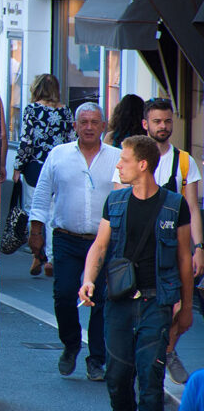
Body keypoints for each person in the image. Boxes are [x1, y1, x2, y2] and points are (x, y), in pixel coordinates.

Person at [79, 135, 194, 411]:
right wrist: (88, 280)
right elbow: (100, 245)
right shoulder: (115, 201)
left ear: (143, 164)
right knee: (117, 380)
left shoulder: (175, 205)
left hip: (156, 303)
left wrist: (187, 307)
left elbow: (183, 259)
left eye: (124, 160)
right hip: (119, 302)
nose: (118, 165)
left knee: (150, 381)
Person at [111, 97, 204, 384]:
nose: (163, 126)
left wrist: (198, 248)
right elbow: (119, 203)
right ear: (145, 124)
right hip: (139, 252)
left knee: (176, 306)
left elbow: (191, 210)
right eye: (157, 121)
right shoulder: (128, 158)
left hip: (171, 245)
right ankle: (150, 354)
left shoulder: (185, 161)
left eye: (167, 121)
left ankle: (167, 349)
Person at [29, 102, 120, 381]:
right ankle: (70, 344)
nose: (89, 127)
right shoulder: (59, 155)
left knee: (101, 300)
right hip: (66, 238)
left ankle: (96, 359)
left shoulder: (117, 158)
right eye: (84, 122)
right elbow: (42, 195)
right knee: (64, 294)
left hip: (103, 241)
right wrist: (36, 231)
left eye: (94, 122)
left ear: (103, 126)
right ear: (75, 126)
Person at [12, 74, 76, 277]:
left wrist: (18, 166)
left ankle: (36, 254)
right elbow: (71, 139)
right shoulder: (65, 110)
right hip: (59, 166)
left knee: (35, 211)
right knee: (54, 212)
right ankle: (51, 258)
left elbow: (26, 141)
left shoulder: (32, 110)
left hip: (35, 167)